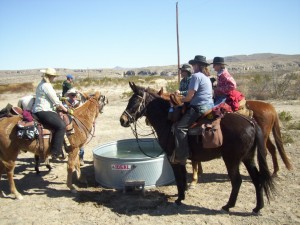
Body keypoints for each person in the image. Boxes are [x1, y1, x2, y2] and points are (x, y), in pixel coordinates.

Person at [173, 55, 214, 165]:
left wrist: (182, 100)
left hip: (199, 107)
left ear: (197, 65)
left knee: (179, 128)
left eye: (193, 65)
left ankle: (182, 156)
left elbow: (190, 96)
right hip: (210, 105)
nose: (192, 67)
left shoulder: (196, 76)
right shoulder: (206, 77)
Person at [32, 68, 71, 159]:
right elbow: (56, 102)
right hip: (44, 110)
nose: (54, 78)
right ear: (49, 76)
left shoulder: (41, 84)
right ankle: (55, 152)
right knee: (61, 126)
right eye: (53, 76)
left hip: (38, 110)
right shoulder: (46, 85)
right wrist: (66, 110)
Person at [63, 88, 85, 166]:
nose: (74, 96)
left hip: (78, 125)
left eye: (75, 95)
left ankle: (81, 158)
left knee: (81, 142)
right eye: (72, 95)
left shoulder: (79, 103)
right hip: (69, 124)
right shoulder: (65, 104)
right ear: (68, 96)